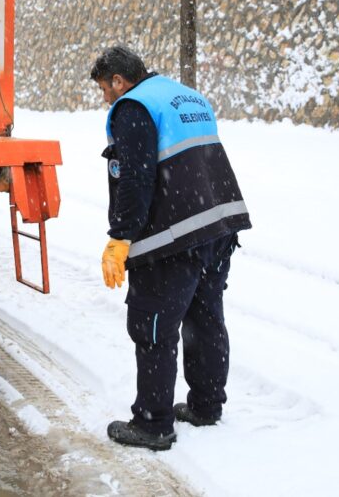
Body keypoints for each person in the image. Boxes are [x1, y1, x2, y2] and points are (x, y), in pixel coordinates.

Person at [90, 46, 251, 451]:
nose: (105, 99)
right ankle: (206, 405)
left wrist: (120, 238)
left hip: (174, 238)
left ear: (118, 81)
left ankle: (153, 424)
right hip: (218, 226)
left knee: (154, 327)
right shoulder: (185, 96)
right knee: (205, 319)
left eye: (104, 90)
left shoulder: (133, 108)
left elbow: (136, 180)